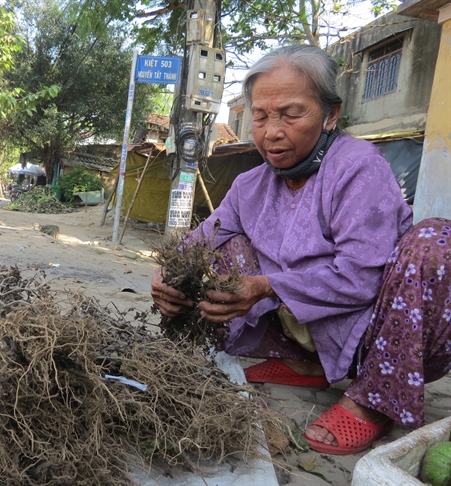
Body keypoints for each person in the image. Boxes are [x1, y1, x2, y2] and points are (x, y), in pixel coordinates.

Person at [151, 44, 451, 456]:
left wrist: (264, 285)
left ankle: (375, 400)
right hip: (299, 331)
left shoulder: (358, 167)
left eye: (291, 114)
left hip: (376, 338)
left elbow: (360, 279)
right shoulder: (250, 186)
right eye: (260, 116)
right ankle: (306, 363)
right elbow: (199, 239)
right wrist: (165, 273)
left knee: (436, 241)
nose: (272, 131)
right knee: (218, 251)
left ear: (330, 115)